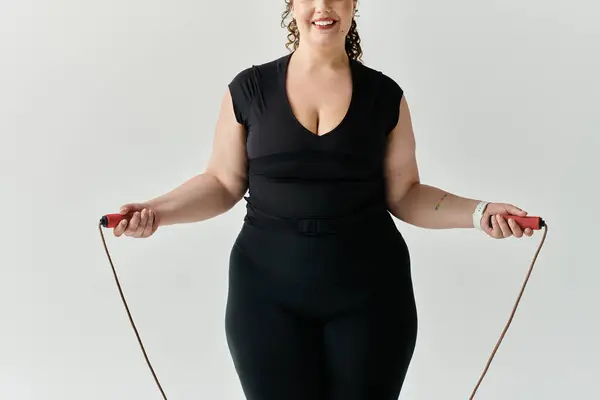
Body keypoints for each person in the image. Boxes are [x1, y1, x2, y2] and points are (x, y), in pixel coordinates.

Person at [111, 1, 535, 399]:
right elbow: (222, 182)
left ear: (354, 4)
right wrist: (155, 212)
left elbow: (406, 194)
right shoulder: (249, 89)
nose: (323, 6)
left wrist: (479, 214)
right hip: (265, 298)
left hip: (371, 296)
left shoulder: (384, 96)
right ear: (291, 5)